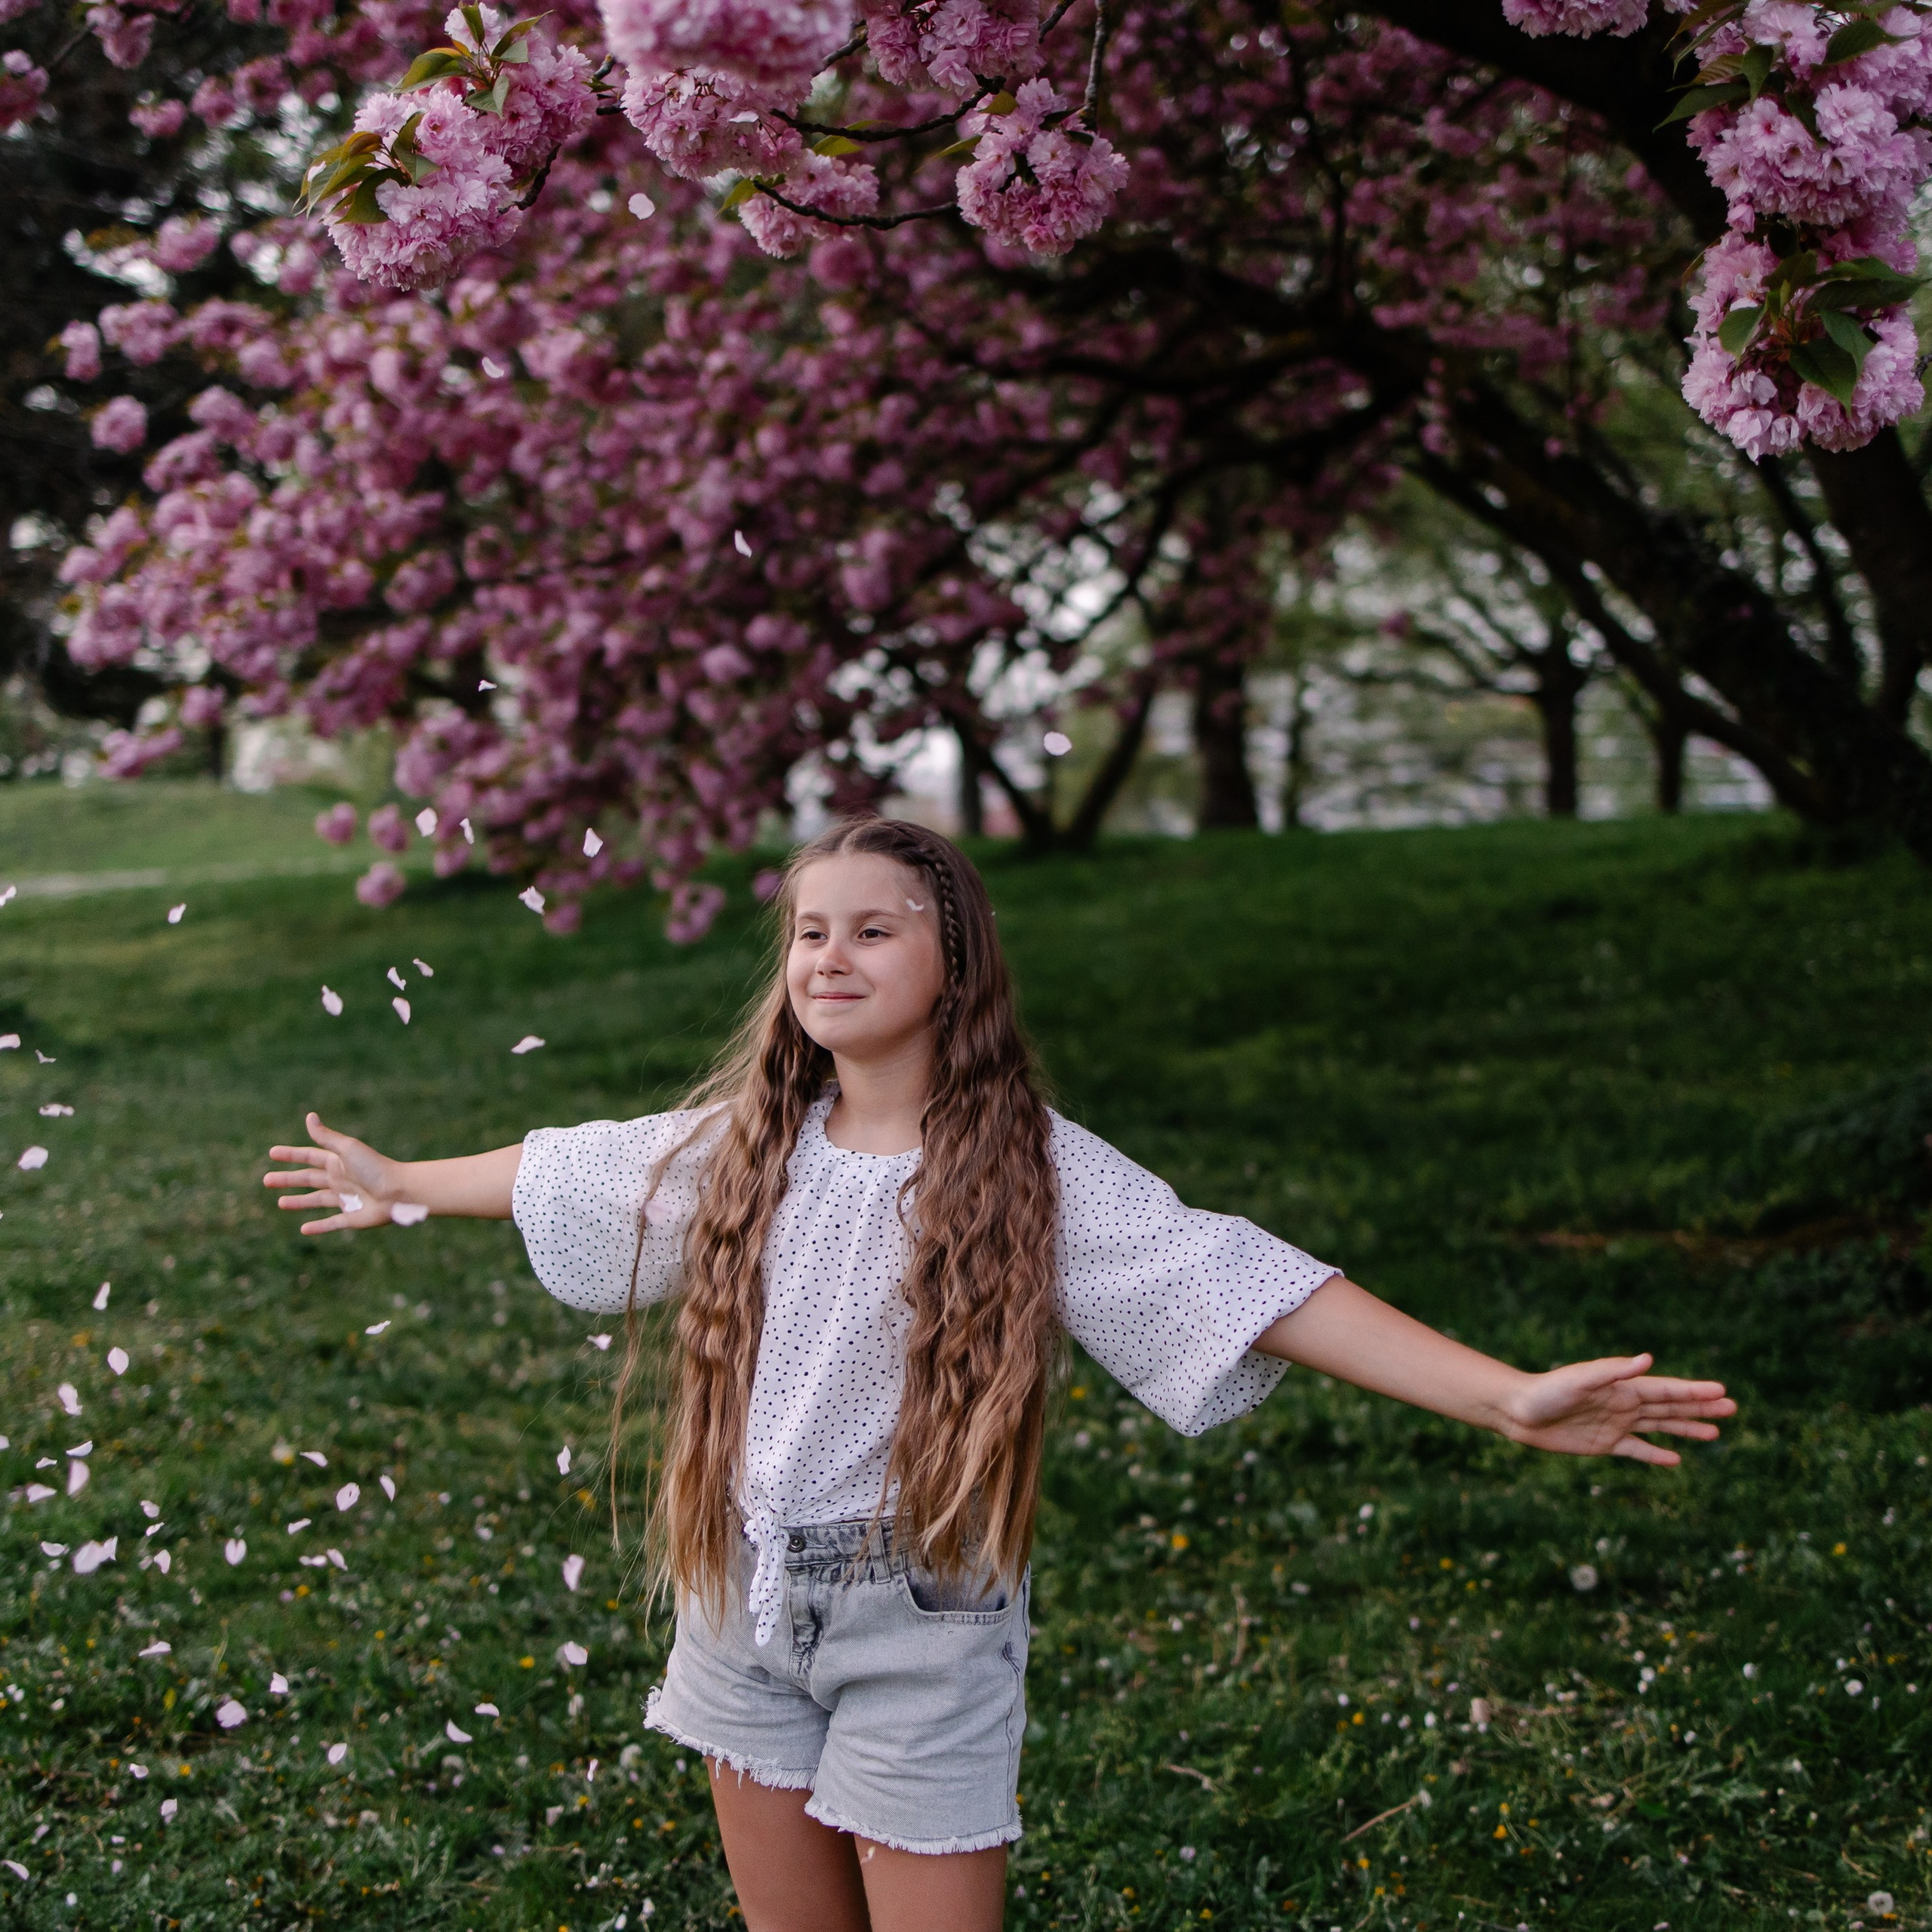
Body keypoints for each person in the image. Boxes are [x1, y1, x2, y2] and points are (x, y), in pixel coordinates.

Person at [263, 814, 1734, 1932]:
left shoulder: (1026, 1169)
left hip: (921, 1611)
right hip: (735, 1589)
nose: (827, 956)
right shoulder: (749, 1141)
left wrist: (1500, 1391)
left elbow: (1238, 1277)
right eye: (807, 932)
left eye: (872, 930)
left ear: (952, 962)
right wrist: (402, 1179)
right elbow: (575, 1167)